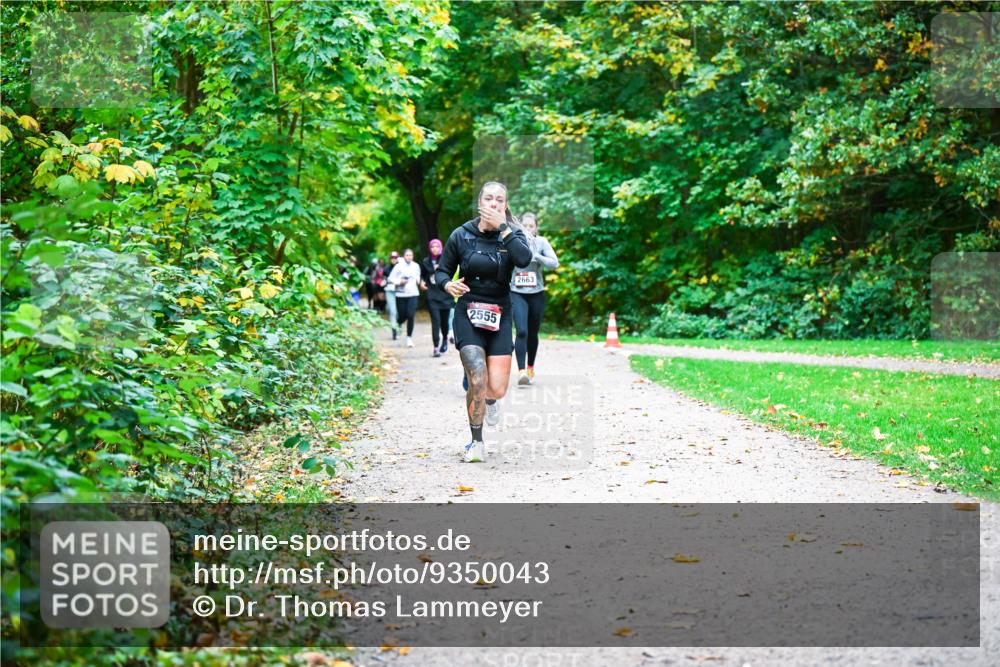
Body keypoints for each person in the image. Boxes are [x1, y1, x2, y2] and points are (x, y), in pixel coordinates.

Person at [435, 181, 532, 463]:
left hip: (501, 312)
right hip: (468, 310)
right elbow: (442, 272)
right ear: (480, 202)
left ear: (505, 205)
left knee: (496, 388)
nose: (493, 203)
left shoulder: (513, 235)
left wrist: (504, 228)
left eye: (499, 200)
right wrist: (447, 286)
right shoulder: (461, 235)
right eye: (488, 198)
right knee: (477, 375)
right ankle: (476, 442)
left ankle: (490, 401)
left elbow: (524, 260)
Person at [510, 212, 558, 385]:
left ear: (536, 227)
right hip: (516, 292)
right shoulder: (514, 242)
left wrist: (537, 256)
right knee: (521, 330)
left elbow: (555, 263)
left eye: (531, 226)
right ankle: (521, 371)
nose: (528, 229)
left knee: (532, 333)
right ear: (520, 227)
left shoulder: (541, 242)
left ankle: (530, 367)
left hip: (536, 293)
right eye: (525, 226)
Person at [419, 238, 454, 357]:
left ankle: (445, 339)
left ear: (441, 248)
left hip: (445, 294)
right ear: (430, 248)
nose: (435, 249)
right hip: (432, 295)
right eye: (433, 246)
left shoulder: (446, 260)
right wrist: (421, 282)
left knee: (444, 323)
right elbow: (422, 276)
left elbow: (453, 273)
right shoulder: (425, 262)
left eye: (437, 246)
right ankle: (435, 347)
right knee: (436, 321)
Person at [388, 248, 421, 347]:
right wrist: (399, 281)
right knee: (402, 315)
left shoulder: (416, 266)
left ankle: (409, 338)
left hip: (413, 293)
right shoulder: (398, 266)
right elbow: (390, 278)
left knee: (410, 315)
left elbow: (418, 276)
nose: (409, 257)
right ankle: (398, 325)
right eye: (407, 255)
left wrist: (417, 281)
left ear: (413, 256)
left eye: (411, 255)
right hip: (401, 294)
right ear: (404, 256)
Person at [384, 251, 399, 339]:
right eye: (392, 258)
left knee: (399, 311)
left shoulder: (401, 268)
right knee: (392, 310)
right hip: (389, 291)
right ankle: (394, 330)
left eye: (395, 258)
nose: (394, 259)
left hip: (400, 291)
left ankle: (398, 325)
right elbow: (382, 281)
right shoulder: (386, 269)